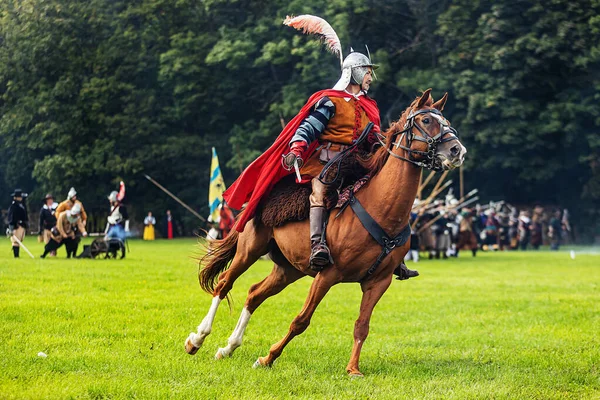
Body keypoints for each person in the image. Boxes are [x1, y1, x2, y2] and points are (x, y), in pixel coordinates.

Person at [223, 46, 418, 279]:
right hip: (327, 163)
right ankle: (318, 247)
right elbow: (308, 128)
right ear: (353, 72)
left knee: (388, 194)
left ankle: (395, 256)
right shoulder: (330, 101)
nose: (370, 77)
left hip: (358, 164)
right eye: (366, 71)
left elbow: (375, 136)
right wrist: (296, 148)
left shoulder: (370, 106)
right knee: (320, 192)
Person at [56, 187, 87, 256]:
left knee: (76, 240)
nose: (75, 197)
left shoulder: (78, 204)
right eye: (73, 196)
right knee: (63, 240)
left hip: (75, 225)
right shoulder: (64, 204)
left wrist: (84, 220)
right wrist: (62, 221)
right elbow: (58, 212)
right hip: (66, 225)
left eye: (75, 196)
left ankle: (74, 253)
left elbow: (82, 212)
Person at [6, 189, 28, 258]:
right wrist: (11, 227)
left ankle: (17, 254)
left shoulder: (21, 205)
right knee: (16, 241)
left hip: (21, 225)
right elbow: (11, 218)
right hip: (16, 226)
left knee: (19, 240)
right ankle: (16, 255)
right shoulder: (13, 207)